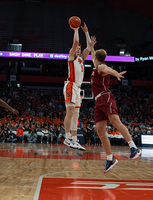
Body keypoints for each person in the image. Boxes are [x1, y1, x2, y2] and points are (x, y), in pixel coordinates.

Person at [89, 37, 141, 173]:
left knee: (115, 122)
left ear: (97, 59)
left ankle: (133, 147)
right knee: (100, 130)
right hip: (98, 102)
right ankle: (110, 158)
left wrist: (116, 73)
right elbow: (94, 55)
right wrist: (91, 46)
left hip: (105, 97)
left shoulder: (101, 66)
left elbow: (109, 69)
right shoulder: (97, 64)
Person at [63, 22, 92, 151]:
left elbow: (90, 47)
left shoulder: (81, 59)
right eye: (78, 49)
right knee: (69, 112)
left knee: (76, 115)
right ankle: (67, 137)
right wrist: (76, 30)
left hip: (78, 88)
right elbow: (75, 43)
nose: (79, 50)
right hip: (70, 85)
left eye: (80, 49)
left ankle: (75, 140)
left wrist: (86, 32)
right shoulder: (71, 57)